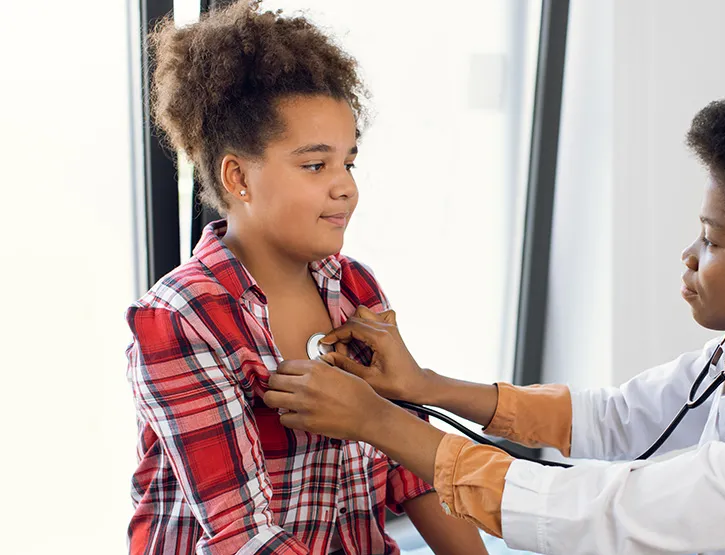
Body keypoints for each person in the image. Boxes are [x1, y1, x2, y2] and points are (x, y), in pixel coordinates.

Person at [263, 85, 725, 554]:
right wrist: (426, 386)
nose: (689, 254)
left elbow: (604, 513)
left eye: (712, 239)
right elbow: (614, 418)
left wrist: (378, 421)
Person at [124, 2, 487, 553]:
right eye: (316, 166)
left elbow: (412, 470)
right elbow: (241, 537)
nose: (346, 188)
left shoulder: (356, 291)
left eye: (350, 162)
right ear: (238, 176)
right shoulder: (183, 319)